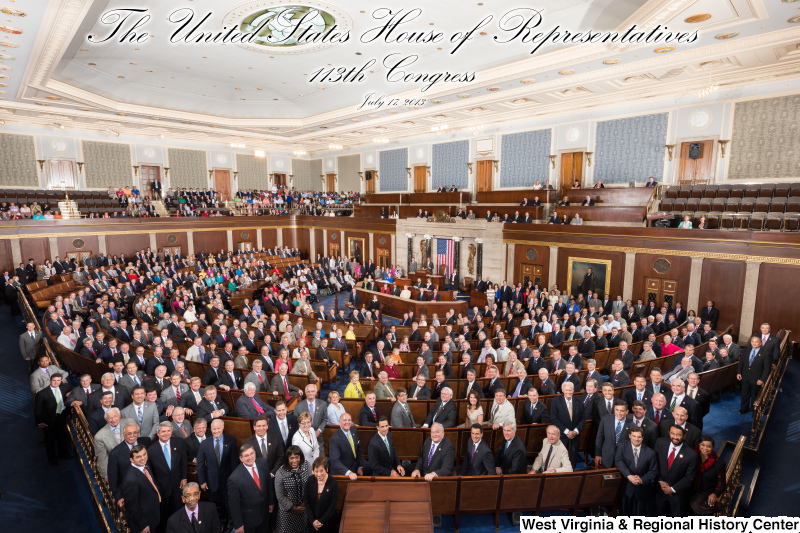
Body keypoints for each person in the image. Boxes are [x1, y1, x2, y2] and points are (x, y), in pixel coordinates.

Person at [196, 419, 238, 528]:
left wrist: (235, 480)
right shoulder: (205, 443)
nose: (216, 431)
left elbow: (234, 462)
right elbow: (200, 464)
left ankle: (231, 522)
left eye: (218, 428)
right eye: (214, 429)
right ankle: (222, 523)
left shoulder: (231, 440)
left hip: (228, 480)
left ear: (222, 428)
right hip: (212, 481)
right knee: (217, 505)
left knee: (230, 503)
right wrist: (202, 481)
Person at [227, 443, 273, 533]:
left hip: (265, 514)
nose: (250, 457)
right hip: (249, 521)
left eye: (252, 453)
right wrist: (238, 524)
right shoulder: (234, 479)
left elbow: (269, 485)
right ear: (241, 459)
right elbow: (234, 505)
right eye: (246, 456)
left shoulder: (263, 463)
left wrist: (271, 502)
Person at [614, 425, 658, 516]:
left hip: (641, 490)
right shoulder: (622, 446)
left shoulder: (651, 453)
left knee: (638, 517)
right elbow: (618, 461)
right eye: (634, 436)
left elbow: (653, 471)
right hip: (626, 488)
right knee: (624, 515)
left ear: (642, 438)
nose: (636, 439)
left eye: (639, 437)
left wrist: (641, 480)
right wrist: (629, 476)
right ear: (629, 436)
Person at [655, 425, 698, 517]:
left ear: (684, 436)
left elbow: (689, 478)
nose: (675, 437)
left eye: (678, 435)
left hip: (678, 495)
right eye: (672, 433)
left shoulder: (692, 455)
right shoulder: (660, 442)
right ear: (669, 433)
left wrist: (672, 489)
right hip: (660, 490)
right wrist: (660, 480)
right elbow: (655, 464)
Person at [34, 373, 73, 466]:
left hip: (62, 415)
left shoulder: (65, 387)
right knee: (50, 440)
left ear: (61, 381)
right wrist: (39, 422)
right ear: (50, 381)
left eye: (58, 380)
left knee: (62, 436)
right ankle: (52, 459)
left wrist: (70, 393)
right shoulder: (42, 393)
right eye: (54, 380)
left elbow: (73, 390)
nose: (56, 382)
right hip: (48, 419)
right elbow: (37, 409)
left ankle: (63, 454)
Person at [122, 445, 162, 533]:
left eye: (144, 454)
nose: (143, 458)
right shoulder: (130, 479)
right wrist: (142, 526)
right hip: (145, 522)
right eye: (138, 457)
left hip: (153, 515)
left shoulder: (145, 467)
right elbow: (132, 506)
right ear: (131, 460)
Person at [274, 445, 311, 533]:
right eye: (291, 458)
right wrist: (293, 508)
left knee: (302, 529)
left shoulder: (306, 465)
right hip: (287, 512)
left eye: (297, 457)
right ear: (287, 459)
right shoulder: (280, 472)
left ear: (300, 457)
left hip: (303, 509)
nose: (294, 461)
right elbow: (280, 495)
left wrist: (303, 505)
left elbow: (310, 485)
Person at [549, 382, 585, 468]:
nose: (568, 392)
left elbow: (583, 419)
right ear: (562, 390)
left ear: (573, 390)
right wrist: (567, 431)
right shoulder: (556, 401)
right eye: (566, 390)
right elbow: (554, 419)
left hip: (574, 437)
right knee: (559, 463)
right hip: (561, 436)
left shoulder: (579, 401)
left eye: (570, 390)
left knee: (572, 462)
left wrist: (575, 431)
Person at [690, 435, 726, 515]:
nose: (705, 448)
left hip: (705, 497)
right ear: (699, 445)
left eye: (708, 446)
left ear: (713, 448)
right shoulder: (693, 457)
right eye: (703, 445)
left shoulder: (719, 464)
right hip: (689, 492)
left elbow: (722, 484)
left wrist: (714, 494)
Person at [328, 413, 369, 479]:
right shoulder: (334, 439)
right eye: (345, 420)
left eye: (349, 420)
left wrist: (360, 466)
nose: (347, 422)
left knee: (372, 468)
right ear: (340, 422)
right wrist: (348, 472)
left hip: (355, 466)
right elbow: (335, 462)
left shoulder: (354, 430)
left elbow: (359, 450)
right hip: (343, 472)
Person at [304, 457, 339, 533]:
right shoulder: (310, 480)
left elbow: (332, 506)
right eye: (316, 471)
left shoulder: (333, 482)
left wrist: (320, 521)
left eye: (321, 470)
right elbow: (306, 503)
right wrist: (313, 521)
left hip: (328, 524)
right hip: (312, 524)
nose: (319, 474)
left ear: (326, 469)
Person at [737, 336, 770, 414]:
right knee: (745, 394)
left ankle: (754, 412)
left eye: (756, 342)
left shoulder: (766, 353)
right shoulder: (746, 350)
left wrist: (762, 379)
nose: (754, 343)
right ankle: (743, 409)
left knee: (755, 396)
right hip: (745, 377)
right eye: (752, 341)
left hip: (757, 379)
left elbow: (767, 369)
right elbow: (741, 363)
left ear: (760, 343)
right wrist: (739, 372)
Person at [595, 400, 632, 468]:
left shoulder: (632, 425)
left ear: (627, 412)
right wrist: (598, 454)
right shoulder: (605, 419)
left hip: (622, 460)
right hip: (606, 457)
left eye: (622, 411)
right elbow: (599, 438)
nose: (619, 413)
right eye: (617, 410)